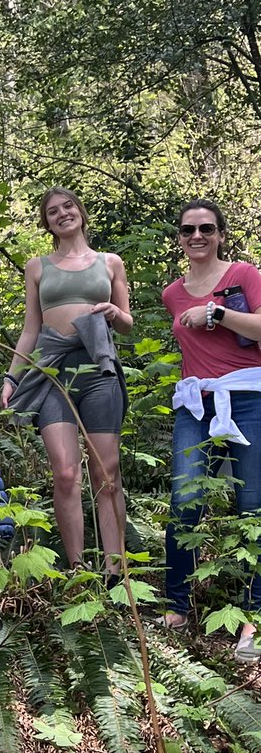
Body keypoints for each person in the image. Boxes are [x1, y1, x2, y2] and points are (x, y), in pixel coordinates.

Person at [0, 188, 132, 573]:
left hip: (98, 369)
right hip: (52, 372)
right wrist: (12, 377)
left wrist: (114, 313)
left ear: (81, 211)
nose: (62, 214)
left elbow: (127, 323)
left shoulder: (110, 263)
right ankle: (78, 570)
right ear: (47, 223)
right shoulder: (37, 267)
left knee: (106, 473)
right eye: (53, 211)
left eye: (68, 206)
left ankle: (114, 570)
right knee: (65, 473)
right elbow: (30, 329)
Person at [159, 198, 261, 662]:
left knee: (253, 506)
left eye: (205, 228)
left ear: (220, 234)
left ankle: (253, 619)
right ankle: (176, 608)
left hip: (250, 398)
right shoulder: (172, 293)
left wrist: (217, 314)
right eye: (188, 230)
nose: (196, 236)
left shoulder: (244, 275)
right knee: (184, 501)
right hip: (196, 404)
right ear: (179, 238)